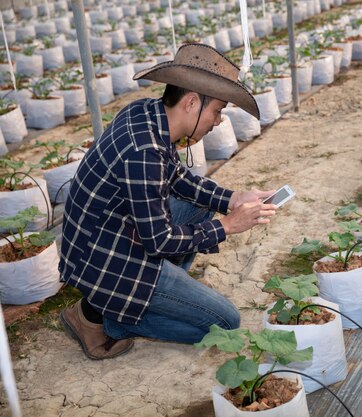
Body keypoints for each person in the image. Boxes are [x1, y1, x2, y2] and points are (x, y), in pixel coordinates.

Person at [58, 43, 277, 360]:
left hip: (106, 239)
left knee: (201, 203)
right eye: (217, 110)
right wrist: (227, 226)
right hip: (106, 261)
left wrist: (232, 199)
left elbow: (178, 178)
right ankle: (108, 320)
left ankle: (149, 294)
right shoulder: (143, 152)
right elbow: (159, 240)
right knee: (224, 324)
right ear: (191, 103)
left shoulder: (144, 113)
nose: (217, 120)